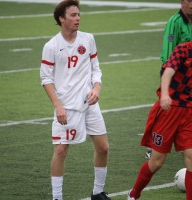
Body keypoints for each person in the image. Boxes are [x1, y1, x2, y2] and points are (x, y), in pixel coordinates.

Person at [127, 16, 192, 200]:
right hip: (170, 112)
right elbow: (168, 71)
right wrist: (166, 94)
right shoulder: (183, 50)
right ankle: (134, 194)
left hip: (190, 112)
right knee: (157, 162)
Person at [40, 0, 111, 200]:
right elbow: (46, 79)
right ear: (62, 19)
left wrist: (96, 88)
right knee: (61, 150)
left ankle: (98, 192)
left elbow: (96, 68)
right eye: (73, 15)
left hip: (90, 104)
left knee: (103, 148)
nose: (78, 18)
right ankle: (57, 197)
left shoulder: (88, 39)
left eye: (78, 14)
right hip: (67, 107)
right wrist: (58, 106)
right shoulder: (51, 46)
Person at [145, 0, 192, 159]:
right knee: (164, 108)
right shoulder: (174, 22)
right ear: (182, 2)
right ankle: (151, 145)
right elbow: (169, 52)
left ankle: (190, 142)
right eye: (190, 0)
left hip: (191, 74)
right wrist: (168, 76)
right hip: (175, 74)